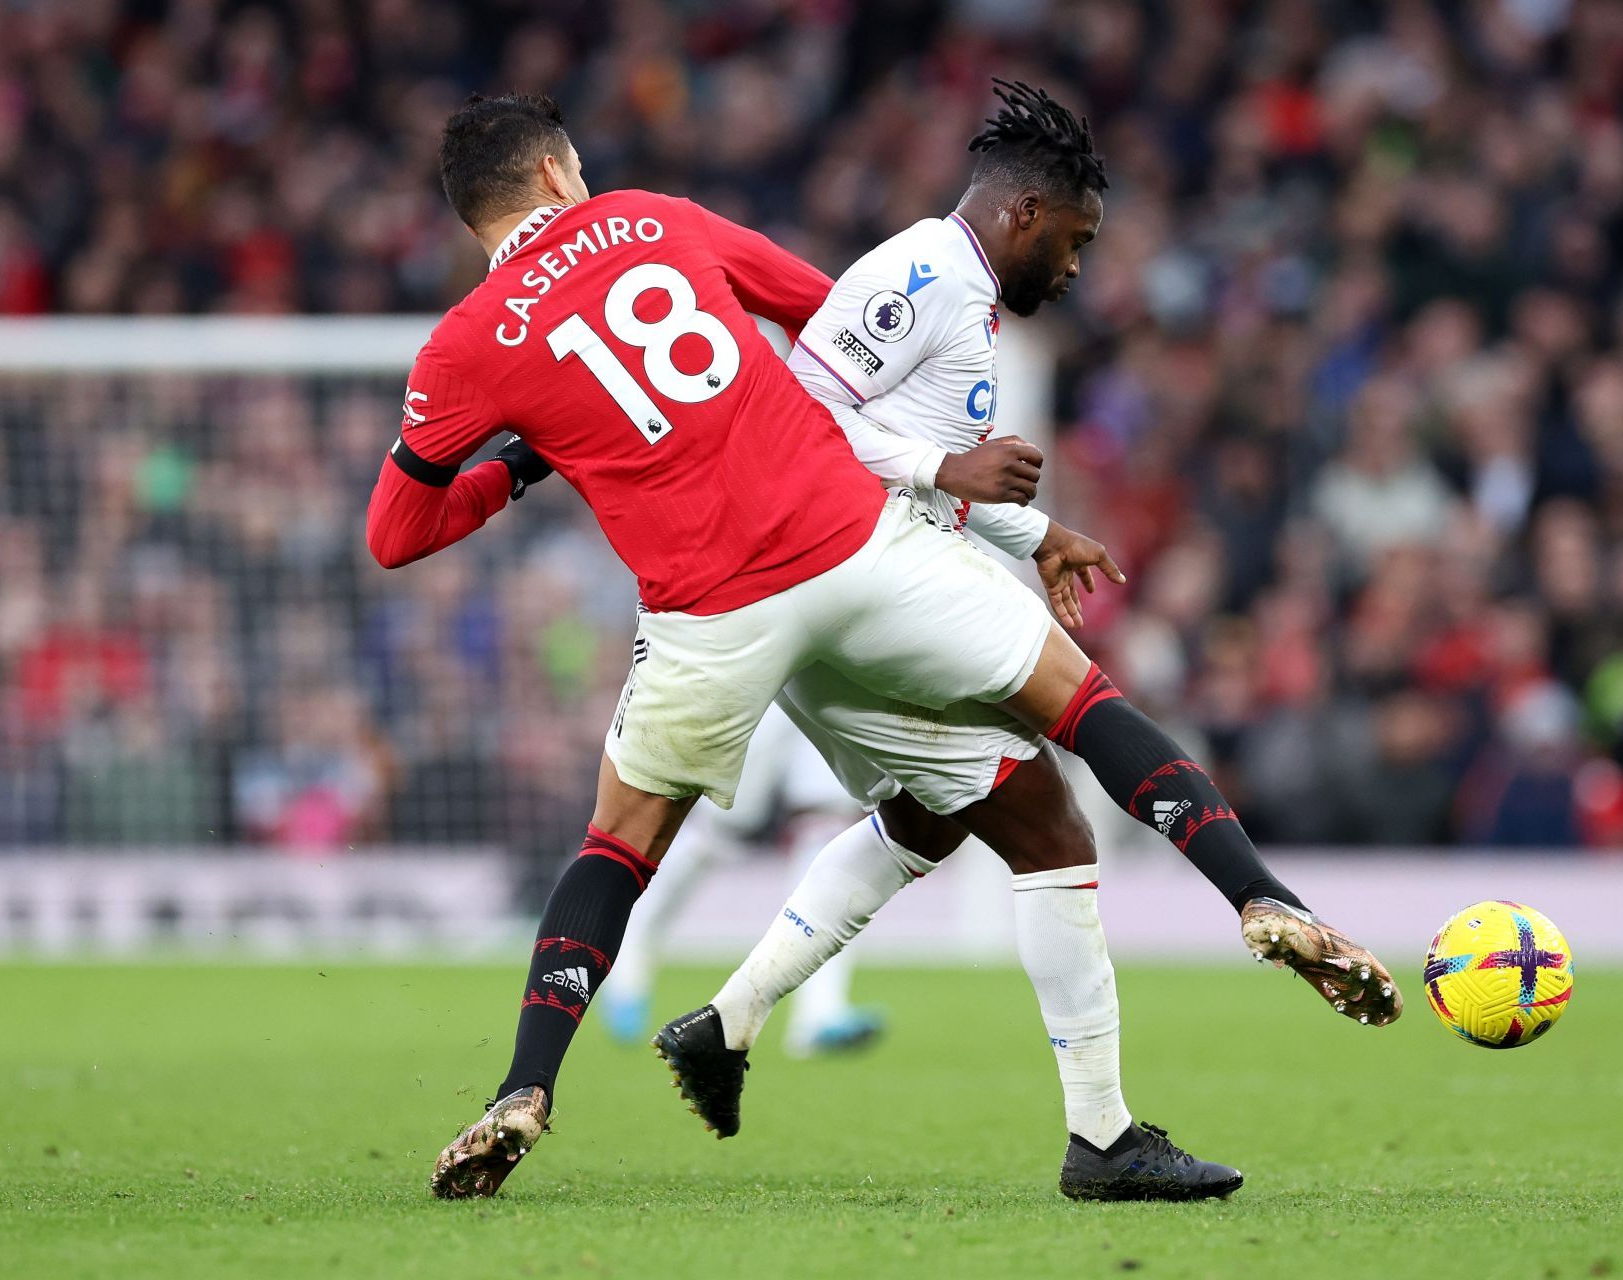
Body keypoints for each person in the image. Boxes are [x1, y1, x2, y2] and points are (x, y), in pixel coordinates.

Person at [370, 90, 1396, 1203]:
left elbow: (397, 532)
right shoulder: (658, 217)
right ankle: (1256, 894)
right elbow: (819, 318)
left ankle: (525, 1088)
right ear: (563, 172)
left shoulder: (465, 347)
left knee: (619, 849)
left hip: (711, 611)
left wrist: (527, 460)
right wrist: (946, 473)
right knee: (1078, 705)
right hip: (849, 547)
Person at [596, 711, 884, 1057]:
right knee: (721, 823)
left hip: (834, 675)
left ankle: (820, 1012)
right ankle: (628, 957)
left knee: (825, 823)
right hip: (766, 676)